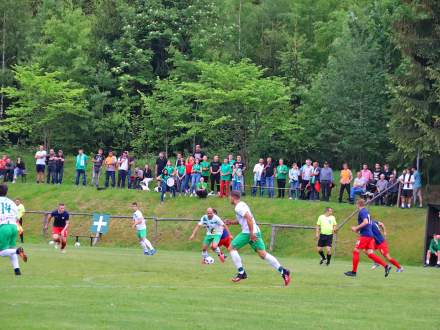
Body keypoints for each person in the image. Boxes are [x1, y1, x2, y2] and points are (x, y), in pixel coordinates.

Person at [225, 191, 291, 285]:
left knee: (231, 248)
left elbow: (249, 218)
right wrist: (231, 222)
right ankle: (283, 271)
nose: (229, 199)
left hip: (248, 233)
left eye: (229, 197)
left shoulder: (238, 207)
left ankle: (241, 273)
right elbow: (243, 219)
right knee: (263, 254)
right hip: (254, 231)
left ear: (233, 197)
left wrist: (251, 233)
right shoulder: (242, 204)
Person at [344, 199, 391, 277]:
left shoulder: (362, 211)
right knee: (370, 254)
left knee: (356, 251)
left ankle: (353, 272)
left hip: (365, 235)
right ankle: (386, 266)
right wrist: (358, 229)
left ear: (358, 204)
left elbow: (365, 222)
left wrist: (356, 228)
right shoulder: (366, 211)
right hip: (370, 235)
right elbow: (367, 224)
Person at [0, 184, 27, 275]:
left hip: (4, 227)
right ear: (6, 192)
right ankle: (17, 270)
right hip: (13, 227)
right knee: (11, 248)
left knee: (2, 252)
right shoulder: (11, 202)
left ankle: (18, 251)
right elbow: (16, 216)